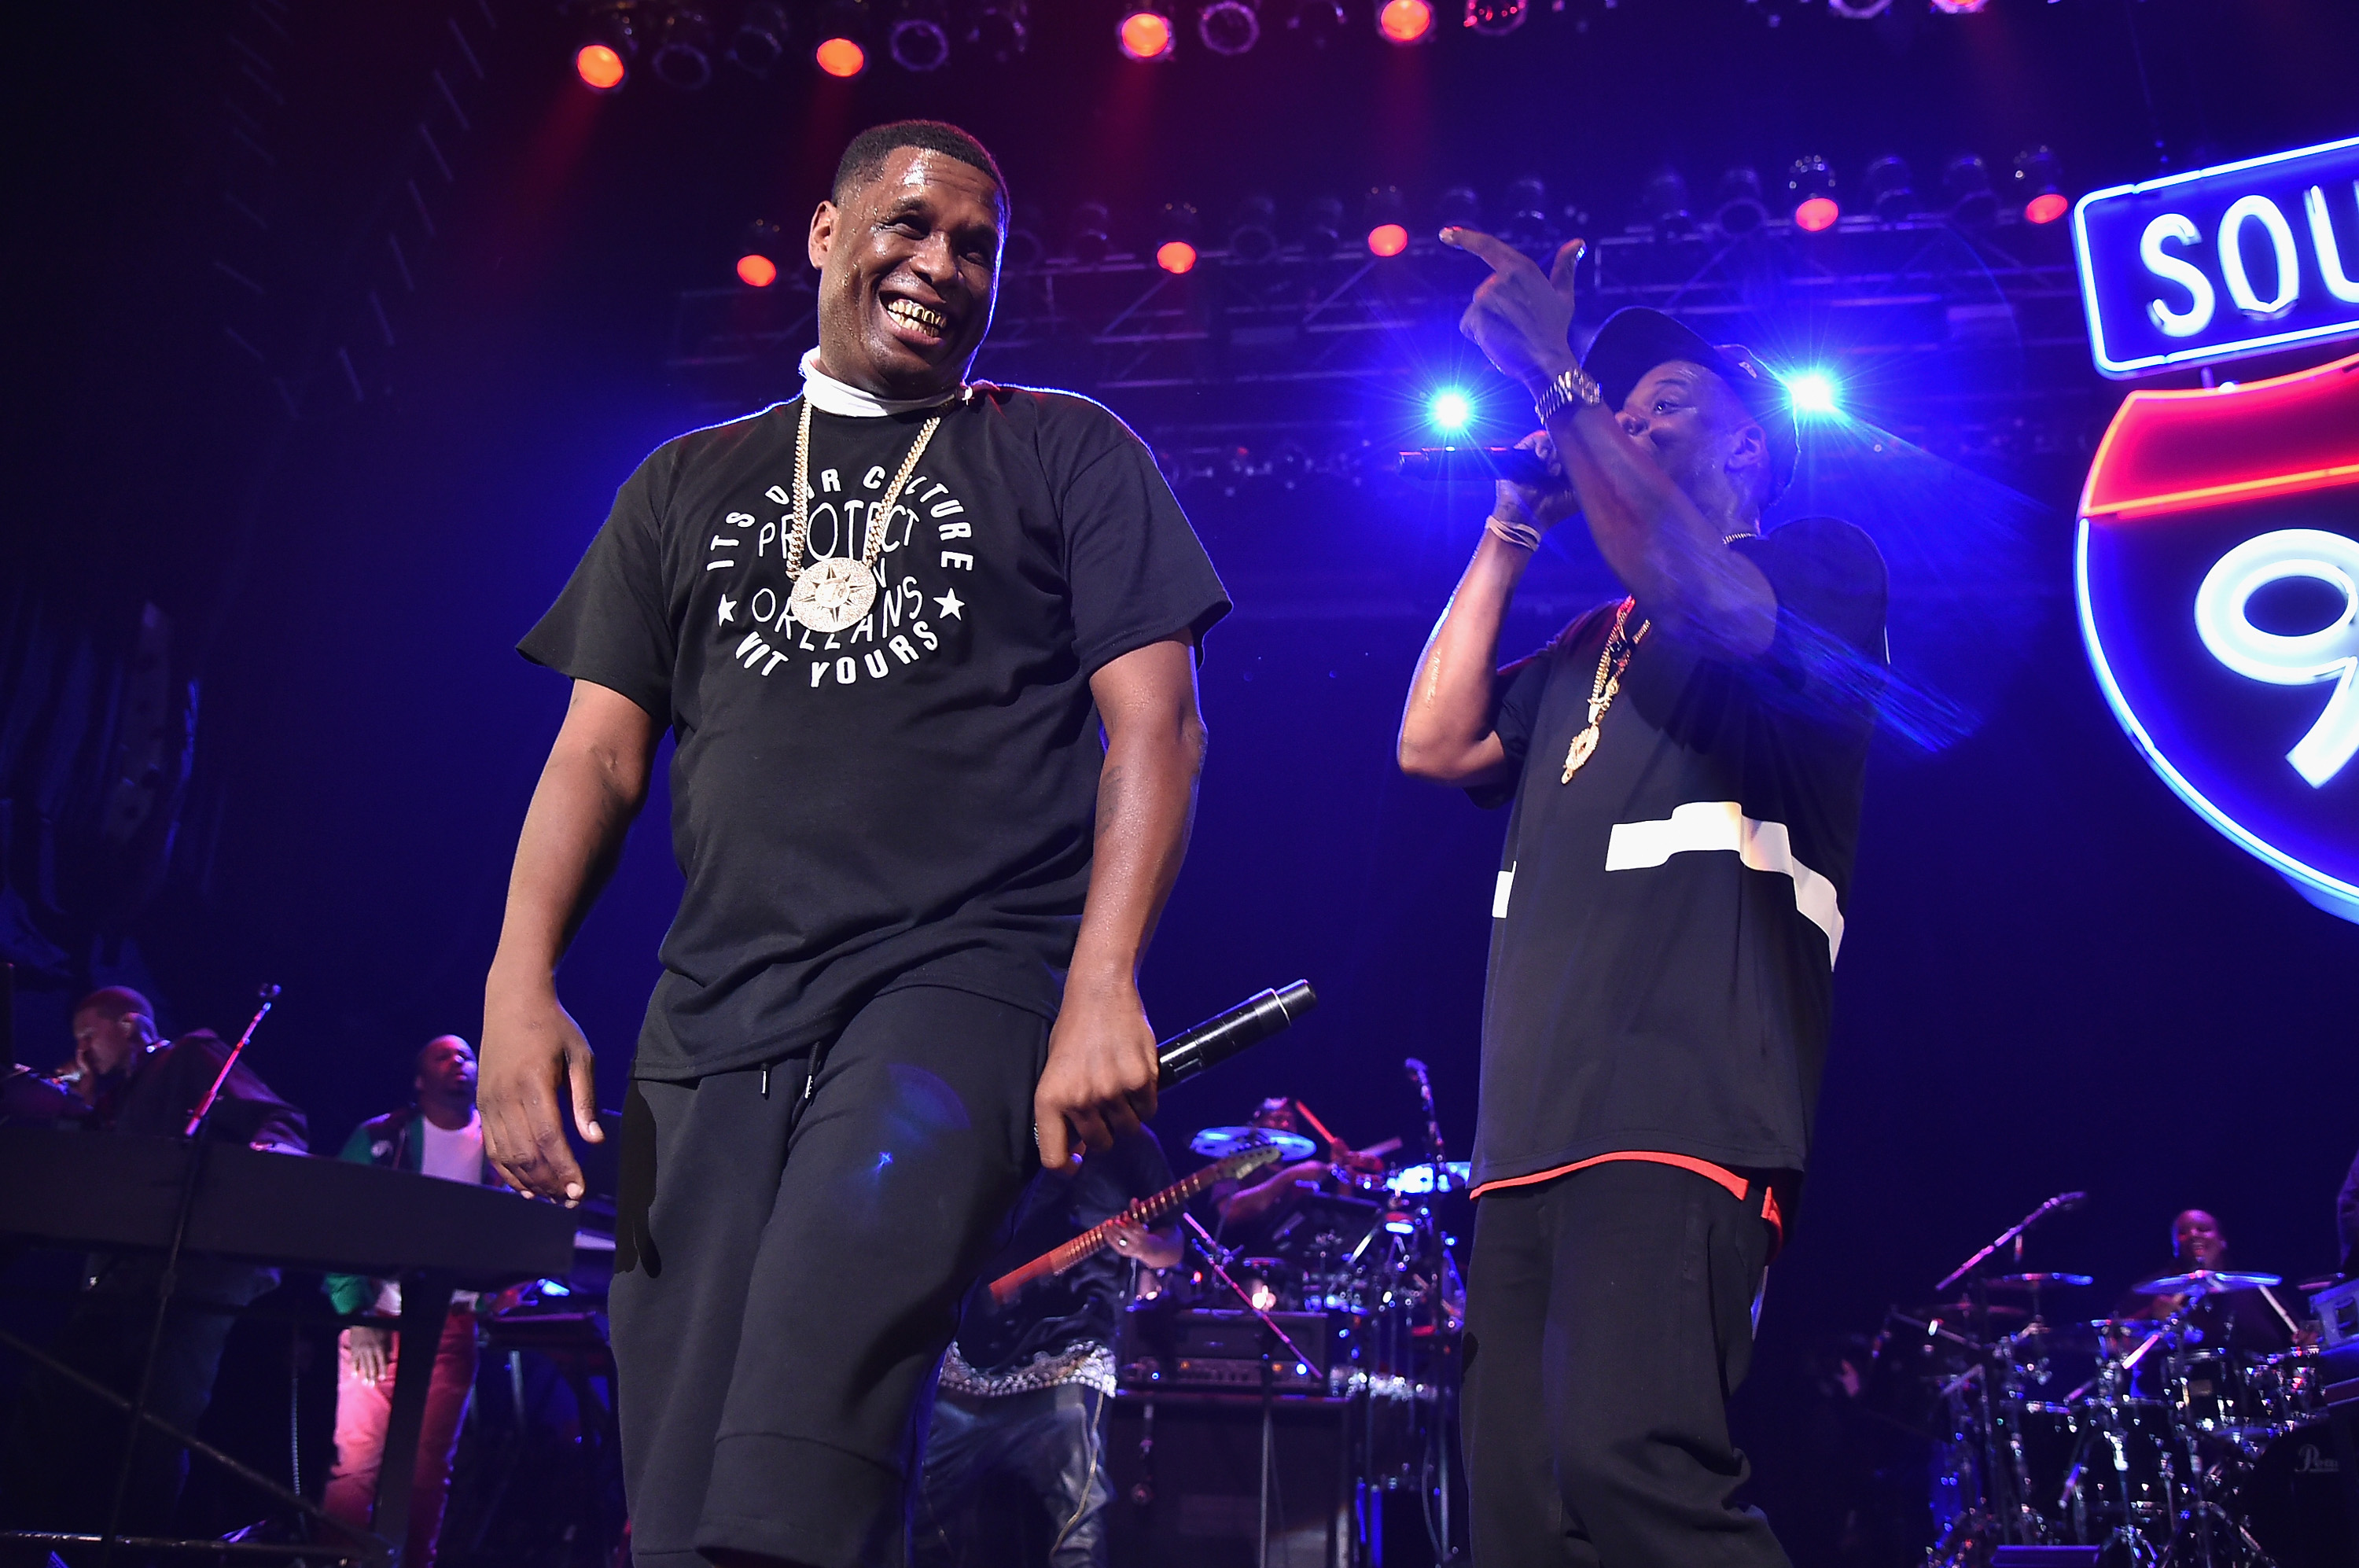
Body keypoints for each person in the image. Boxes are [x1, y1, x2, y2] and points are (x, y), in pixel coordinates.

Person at [477, 119, 1228, 1568]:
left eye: (976, 246)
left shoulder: (1061, 448)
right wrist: (521, 981)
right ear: (825, 235)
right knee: (688, 1490)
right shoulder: (681, 481)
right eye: (908, 224)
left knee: (813, 1397)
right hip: (712, 1016)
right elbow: (597, 752)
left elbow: (1161, 729)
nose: (940, 263)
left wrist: (1103, 979)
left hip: (961, 981)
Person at [1397, 226, 1888, 1567]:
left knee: (1633, 1469)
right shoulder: (1580, 648)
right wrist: (1511, 522)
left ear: (1746, 446)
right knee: (1520, 1517)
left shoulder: (1816, 569)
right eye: (1620, 400)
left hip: (1682, 1103)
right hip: (1528, 1131)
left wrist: (1559, 373)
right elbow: (1434, 742)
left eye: (1671, 401)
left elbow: (1709, 599)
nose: (1630, 411)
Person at [0, 987, 308, 1544]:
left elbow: (276, 1118)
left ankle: (140, 1551)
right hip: (129, 1276)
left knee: (161, 1423)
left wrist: (271, 1156)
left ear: (130, 1023)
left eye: (88, 1035)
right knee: (60, 1395)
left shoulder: (187, 1055)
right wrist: (80, 1101)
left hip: (196, 1268)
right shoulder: (113, 1100)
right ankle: (32, 1540)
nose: (83, 1050)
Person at [914, 1128, 1180, 1568]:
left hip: (1071, 1353)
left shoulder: (1131, 1142)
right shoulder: (1003, 1119)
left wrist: (1145, 1246)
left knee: (1077, 1524)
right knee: (923, 1516)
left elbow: (1172, 1244)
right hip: (971, 1350)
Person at [319, 1036, 495, 1568]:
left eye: (465, 1055)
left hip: (453, 1324)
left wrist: (505, 1293)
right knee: (358, 1463)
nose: (458, 1062)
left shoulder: (500, 1141)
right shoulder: (382, 1136)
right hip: (381, 1320)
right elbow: (336, 1223)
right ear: (419, 1080)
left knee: (427, 1469)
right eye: (443, 1056)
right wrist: (357, 1312)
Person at [2115, 1208, 2300, 1356]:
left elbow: (2296, 1337)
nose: (2194, 1235)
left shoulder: (2252, 1288)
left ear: (2222, 1241)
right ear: (2174, 1246)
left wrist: (2308, 1338)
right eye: (2183, 1233)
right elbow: (2111, 1339)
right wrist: (2150, 1315)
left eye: (2203, 1229)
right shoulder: (2151, 1290)